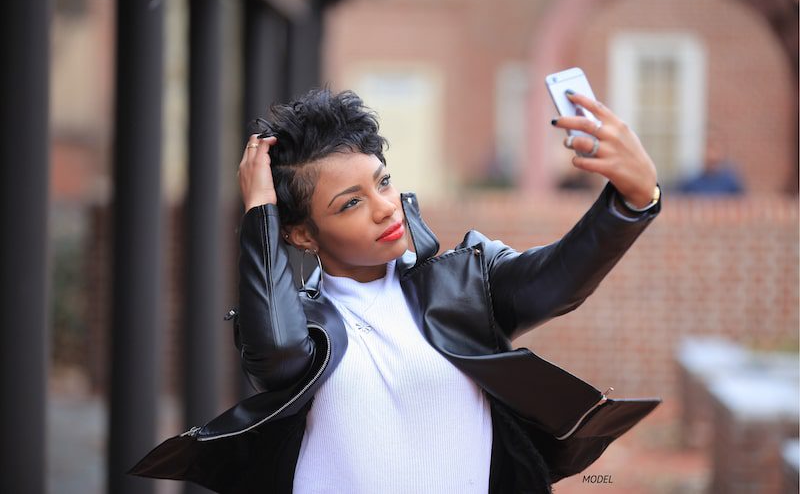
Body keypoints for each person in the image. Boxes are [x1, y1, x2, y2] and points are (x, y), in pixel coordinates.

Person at [130, 88, 662, 493]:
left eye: (381, 182)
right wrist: (261, 213)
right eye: (350, 203)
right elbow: (277, 351)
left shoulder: (465, 283)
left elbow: (557, 283)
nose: (385, 206)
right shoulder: (302, 323)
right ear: (300, 233)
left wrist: (631, 201)